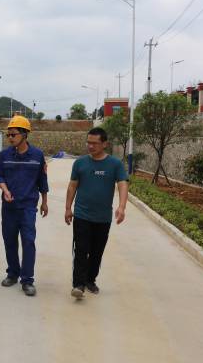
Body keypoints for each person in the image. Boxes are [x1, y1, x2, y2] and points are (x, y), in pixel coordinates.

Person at [65, 127, 128, 300]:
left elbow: (123, 184)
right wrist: (68, 208)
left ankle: (90, 280)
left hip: (103, 217)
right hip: (82, 215)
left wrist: (122, 206)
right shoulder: (80, 163)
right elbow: (72, 185)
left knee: (96, 252)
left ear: (105, 144)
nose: (90, 146)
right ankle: (78, 284)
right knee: (80, 250)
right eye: (88, 142)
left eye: (94, 143)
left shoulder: (115, 164)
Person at [0, 115, 48, 297]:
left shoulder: (37, 156)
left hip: (28, 207)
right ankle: (12, 273)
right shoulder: (4, 155)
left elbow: (42, 180)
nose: (10, 138)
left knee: (28, 241)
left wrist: (45, 202)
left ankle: (27, 280)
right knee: (9, 240)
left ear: (25, 134)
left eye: (13, 134)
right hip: (9, 207)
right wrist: (5, 189)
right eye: (8, 135)